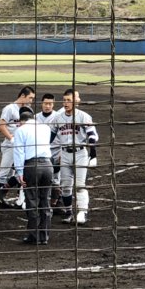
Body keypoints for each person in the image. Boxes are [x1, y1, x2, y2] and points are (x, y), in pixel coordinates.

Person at [49, 89, 99, 224]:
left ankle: (83, 212)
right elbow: (50, 137)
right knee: (65, 186)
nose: (65, 103)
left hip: (80, 153)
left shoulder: (83, 116)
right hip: (64, 153)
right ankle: (69, 212)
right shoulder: (58, 118)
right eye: (64, 100)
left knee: (80, 185)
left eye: (68, 100)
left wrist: (93, 154)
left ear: (75, 102)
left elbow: (92, 135)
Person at [13, 107, 54, 245]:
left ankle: (34, 236)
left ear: (21, 121)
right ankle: (44, 236)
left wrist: (19, 172)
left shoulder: (21, 130)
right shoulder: (45, 128)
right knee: (45, 201)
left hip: (32, 165)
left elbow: (19, 152)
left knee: (32, 201)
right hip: (48, 165)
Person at [0, 87, 34, 205]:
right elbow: (2, 126)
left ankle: (1, 194)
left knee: (17, 172)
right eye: (30, 98)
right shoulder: (10, 108)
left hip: (21, 146)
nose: (31, 101)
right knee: (4, 173)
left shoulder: (28, 110)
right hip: (10, 145)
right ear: (22, 95)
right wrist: (11, 139)